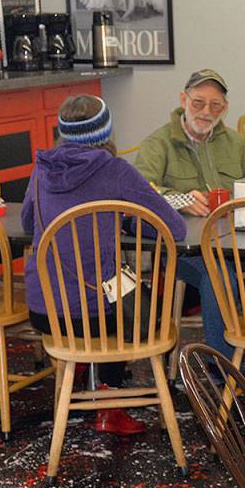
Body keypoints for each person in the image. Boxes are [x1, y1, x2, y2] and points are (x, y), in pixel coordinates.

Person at [21, 95, 187, 436]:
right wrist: (126, 222)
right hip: (96, 311)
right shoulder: (115, 170)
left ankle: (82, 365)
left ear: (62, 131)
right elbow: (174, 227)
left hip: (46, 310)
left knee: (100, 300)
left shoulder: (41, 169)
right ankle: (109, 404)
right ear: (106, 131)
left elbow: (28, 224)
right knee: (142, 309)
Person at [135, 69, 245, 360]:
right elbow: (138, 193)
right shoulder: (157, 144)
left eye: (215, 105)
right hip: (182, 251)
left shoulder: (236, 143)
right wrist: (180, 199)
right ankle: (219, 367)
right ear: (183, 100)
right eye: (198, 103)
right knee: (220, 276)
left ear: (225, 109)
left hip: (235, 243)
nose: (206, 112)